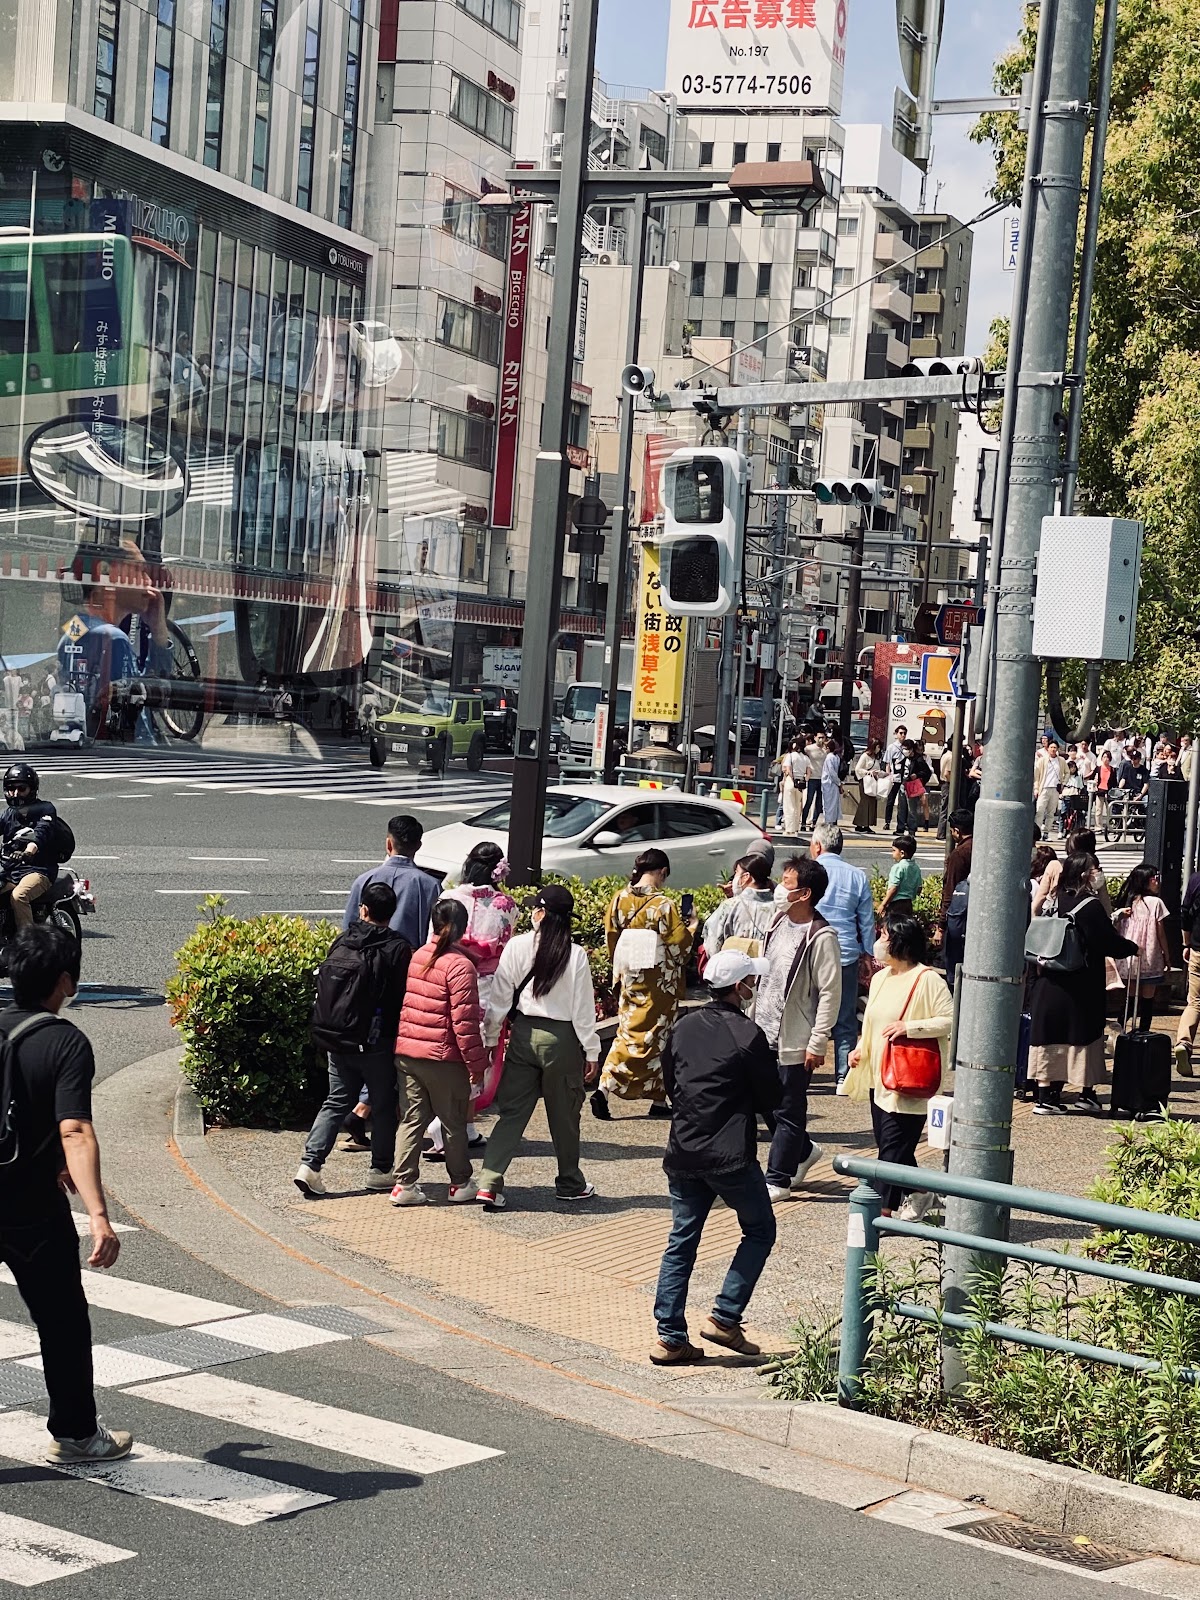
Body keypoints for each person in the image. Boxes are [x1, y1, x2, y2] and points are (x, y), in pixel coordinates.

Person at [0, 926, 130, 1462]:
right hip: (30, 1209)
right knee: (61, 1322)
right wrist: (98, 1214)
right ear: (64, 980)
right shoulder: (65, 1042)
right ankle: (76, 1434)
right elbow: (73, 1127)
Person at [651, 948, 781, 1365]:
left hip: (684, 1149)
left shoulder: (684, 1026)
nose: (753, 987)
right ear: (740, 987)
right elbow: (770, 1097)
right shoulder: (747, 1035)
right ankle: (725, 1316)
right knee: (759, 1230)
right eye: (751, 982)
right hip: (729, 1153)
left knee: (681, 1241)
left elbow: (671, 1082)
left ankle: (670, 1337)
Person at [477, 885, 600, 1210]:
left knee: (512, 1113)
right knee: (564, 1115)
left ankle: (489, 1181)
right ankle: (569, 1183)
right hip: (562, 1040)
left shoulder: (517, 946)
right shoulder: (575, 955)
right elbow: (583, 1010)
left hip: (524, 1035)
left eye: (536, 908)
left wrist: (491, 1040)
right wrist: (591, 1051)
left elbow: (500, 1000)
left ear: (542, 914)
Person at [293, 881, 412, 1198]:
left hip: (337, 1038)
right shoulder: (398, 947)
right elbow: (402, 997)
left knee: (336, 1100)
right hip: (377, 1041)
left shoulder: (343, 940)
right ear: (393, 912)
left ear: (363, 910)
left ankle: (310, 1165)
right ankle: (381, 1169)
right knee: (384, 1105)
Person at [845, 916, 952, 1218]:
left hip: (910, 1077)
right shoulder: (881, 978)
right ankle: (921, 1192)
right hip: (880, 1076)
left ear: (900, 942)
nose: (879, 941)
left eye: (884, 935)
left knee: (890, 1152)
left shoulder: (927, 979)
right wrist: (859, 1050)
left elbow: (949, 1020)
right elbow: (872, 1024)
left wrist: (910, 1027)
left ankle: (881, 1213)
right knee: (894, 1147)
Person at [390, 900, 489, 1206]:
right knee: (453, 1122)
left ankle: (404, 1185)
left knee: (411, 1120)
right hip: (443, 1057)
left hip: (408, 1051)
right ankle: (459, 1183)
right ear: (463, 927)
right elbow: (465, 1022)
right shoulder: (460, 966)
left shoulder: (419, 955)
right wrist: (477, 1064)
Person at [425, 841, 518, 1160]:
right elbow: (504, 952)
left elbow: (431, 944)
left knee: (448, 1052)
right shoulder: (507, 904)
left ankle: (463, 1125)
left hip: (449, 980)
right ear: (497, 870)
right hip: (486, 989)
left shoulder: (448, 898)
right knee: (476, 1056)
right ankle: (445, 1124)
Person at [756, 856, 842, 1203]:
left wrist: (818, 1040)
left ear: (805, 893)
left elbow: (830, 992)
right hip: (761, 1029)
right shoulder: (777, 921)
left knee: (789, 1108)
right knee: (766, 1104)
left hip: (795, 1038)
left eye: (787, 883)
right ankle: (803, 1151)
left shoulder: (822, 937)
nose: (780, 887)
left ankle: (779, 1178)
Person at [1027, 852, 1138, 1114]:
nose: (1098, 873)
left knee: (1048, 1038)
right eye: (1094, 869)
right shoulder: (1090, 905)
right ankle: (1086, 1094)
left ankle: (1046, 1097)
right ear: (1085, 874)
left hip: (1048, 979)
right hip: (1081, 985)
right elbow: (1107, 941)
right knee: (1084, 1037)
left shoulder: (1053, 901)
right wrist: (1133, 947)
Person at [594, 849, 694, 1120]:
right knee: (657, 1035)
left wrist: (622, 966)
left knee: (627, 1030)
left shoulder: (619, 899)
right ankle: (648, 1094)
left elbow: (611, 936)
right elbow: (679, 947)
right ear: (662, 872)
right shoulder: (664, 904)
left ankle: (611, 1088)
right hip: (659, 980)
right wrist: (693, 927)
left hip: (630, 974)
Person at [59, 540, 175, 744]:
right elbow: (150, 700)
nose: (148, 582)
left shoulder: (73, 629)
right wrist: (159, 631)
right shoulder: (114, 638)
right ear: (107, 573)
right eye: (140, 570)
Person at [809, 823, 874, 1093]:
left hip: (811, 949)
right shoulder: (857, 876)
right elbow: (867, 922)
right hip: (845, 952)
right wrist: (868, 953)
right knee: (845, 1016)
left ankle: (803, 1073)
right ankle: (842, 1077)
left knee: (807, 1013)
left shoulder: (809, 872)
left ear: (817, 846)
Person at [343, 814, 439, 948]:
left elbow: (348, 929)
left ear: (388, 844)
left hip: (365, 961)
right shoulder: (431, 886)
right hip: (408, 963)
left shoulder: (364, 880)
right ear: (418, 845)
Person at [1113, 862, 1172, 1034]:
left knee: (1130, 999)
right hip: (1150, 957)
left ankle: (1120, 1031)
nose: (1157, 882)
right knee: (1148, 999)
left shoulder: (1129, 902)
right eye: (1155, 878)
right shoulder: (1156, 903)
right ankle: (1143, 1034)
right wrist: (1167, 956)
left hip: (1130, 958)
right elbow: (1161, 933)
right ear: (1146, 881)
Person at [0, 763, 59, 932]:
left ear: (32, 789)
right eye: (11, 788)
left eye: (21, 788)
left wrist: (28, 851)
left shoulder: (45, 809)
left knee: (19, 896)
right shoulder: (8, 814)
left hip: (38, 869)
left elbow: (41, 833)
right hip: (12, 869)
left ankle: (28, 944)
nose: (16, 793)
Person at [702, 854, 776, 959]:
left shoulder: (730, 906)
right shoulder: (779, 907)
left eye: (736, 872)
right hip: (766, 969)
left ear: (746, 877)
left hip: (734, 969)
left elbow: (712, 943)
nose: (734, 877)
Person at [1032, 829, 1112, 917]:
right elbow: (1105, 903)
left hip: (1059, 922)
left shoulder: (1055, 866)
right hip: (1087, 921)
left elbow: (1039, 901)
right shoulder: (1094, 871)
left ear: (1070, 845)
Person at [936, 808, 974, 971]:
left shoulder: (959, 854)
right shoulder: (980, 847)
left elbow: (950, 890)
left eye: (951, 831)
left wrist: (941, 925)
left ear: (957, 831)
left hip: (958, 915)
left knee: (954, 963)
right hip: (973, 913)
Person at [1174, 862, 1200, 1078]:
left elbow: (1185, 912)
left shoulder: (1196, 879)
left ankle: (1184, 1043)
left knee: (1195, 1002)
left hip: (1198, 949)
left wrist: (1186, 943)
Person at [881, 834, 921, 920]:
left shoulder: (898, 867)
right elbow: (919, 888)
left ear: (902, 853)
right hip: (908, 903)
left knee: (893, 927)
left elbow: (894, 888)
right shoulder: (916, 867)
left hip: (896, 904)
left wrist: (883, 904)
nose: (892, 853)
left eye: (894, 850)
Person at [780, 740, 811, 837]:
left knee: (789, 806)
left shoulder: (790, 756)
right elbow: (809, 772)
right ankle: (796, 829)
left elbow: (788, 770)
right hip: (801, 783)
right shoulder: (806, 758)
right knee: (798, 807)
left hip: (791, 782)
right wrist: (804, 780)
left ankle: (789, 829)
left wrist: (793, 779)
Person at [1033, 739, 1064, 837]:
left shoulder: (1061, 761)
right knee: (1040, 811)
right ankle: (1037, 833)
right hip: (1044, 788)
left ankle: (1046, 833)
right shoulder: (1042, 760)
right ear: (1048, 749)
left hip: (1055, 789)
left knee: (1051, 813)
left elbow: (1067, 772)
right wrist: (1036, 788)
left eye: (1055, 747)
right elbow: (1036, 776)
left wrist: (1063, 782)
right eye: (1051, 747)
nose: (1053, 749)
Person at [852, 739, 883, 834]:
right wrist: (868, 772)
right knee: (865, 802)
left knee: (871, 802)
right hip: (865, 781)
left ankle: (865, 823)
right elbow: (858, 768)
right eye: (877, 747)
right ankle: (864, 824)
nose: (879, 749)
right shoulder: (865, 756)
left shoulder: (876, 758)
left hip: (873, 782)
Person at [883, 725, 907, 831]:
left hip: (904, 777)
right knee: (891, 800)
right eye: (901, 733)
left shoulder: (907, 746)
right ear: (896, 734)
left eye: (904, 733)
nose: (903, 735)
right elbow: (887, 763)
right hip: (895, 776)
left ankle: (903, 822)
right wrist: (889, 776)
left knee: (903, 801)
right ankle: (887, 821)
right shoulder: (891, 747)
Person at [801, 733, 825, 829]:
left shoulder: (825, 750)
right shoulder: (809, 748)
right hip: (812, 778)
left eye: (823, 737)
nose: (821, 739)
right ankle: (803, 822)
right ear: (815, 738)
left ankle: (814, 823)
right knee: (809, 800)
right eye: (819, 737)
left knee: (819, 803)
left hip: (822, 778)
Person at [1060, 760, 1086, 834]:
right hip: (1065, 796)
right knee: (1063, 813)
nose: (1073, 769)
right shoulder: (1064, 776)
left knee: (1075, 815)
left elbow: (1081, 788)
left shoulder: (1078, 777)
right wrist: (1061, 794)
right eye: (1071, 767)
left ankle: (1072, 830)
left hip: (1075, 797)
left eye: (1074, 767)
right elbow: (1060, 787)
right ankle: (1061, 830)